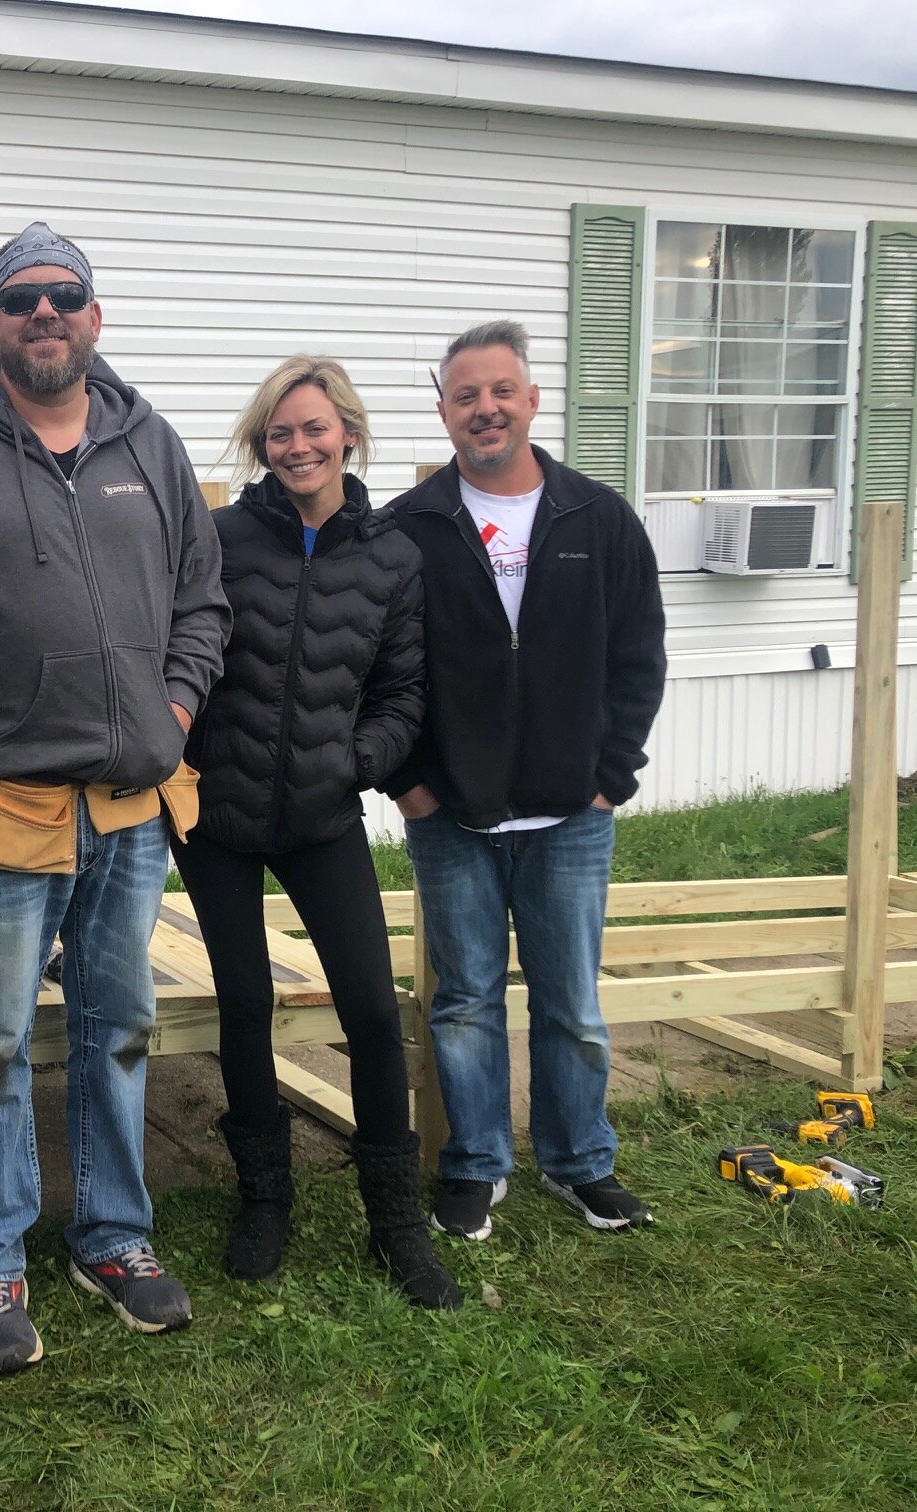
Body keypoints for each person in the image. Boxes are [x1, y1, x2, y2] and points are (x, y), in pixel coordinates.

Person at [0, 222, 230, 1374]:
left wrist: (172, 712)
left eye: (65, 295)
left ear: (95, 316)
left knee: (119, 1028)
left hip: (132, 804)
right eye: (21, 299)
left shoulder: (148, 441)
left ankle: (114, 1236)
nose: (45, 313)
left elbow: (203, 606)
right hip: (4, 803)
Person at [173, 357, 459, 1307]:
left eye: (313, 429)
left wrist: (356, 760)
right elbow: (183, 656)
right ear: (263, 447)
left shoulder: (392, 558)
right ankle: (266, 1200)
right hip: (217, 820)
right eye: (279, 435)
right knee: (245, 1007)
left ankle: (395, 1223)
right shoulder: (216, 540)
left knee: (374, 1014)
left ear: (349, 433)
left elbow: (405, 691)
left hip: (324, 817)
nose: (297, 447)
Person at [384, 319, 668, 1240]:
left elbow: (639, 657)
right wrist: (409, 786)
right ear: (444, 413)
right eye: (465, 396)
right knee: (463, 1002)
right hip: (451, 814)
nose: (485, 409)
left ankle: (580, 1161)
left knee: (571, 1003)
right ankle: (474, 1164)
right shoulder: (409, 529)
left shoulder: (598, 519)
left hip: (570, 814)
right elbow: (382, 672)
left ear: (533, 399)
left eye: (500, 390)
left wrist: (608, 778)